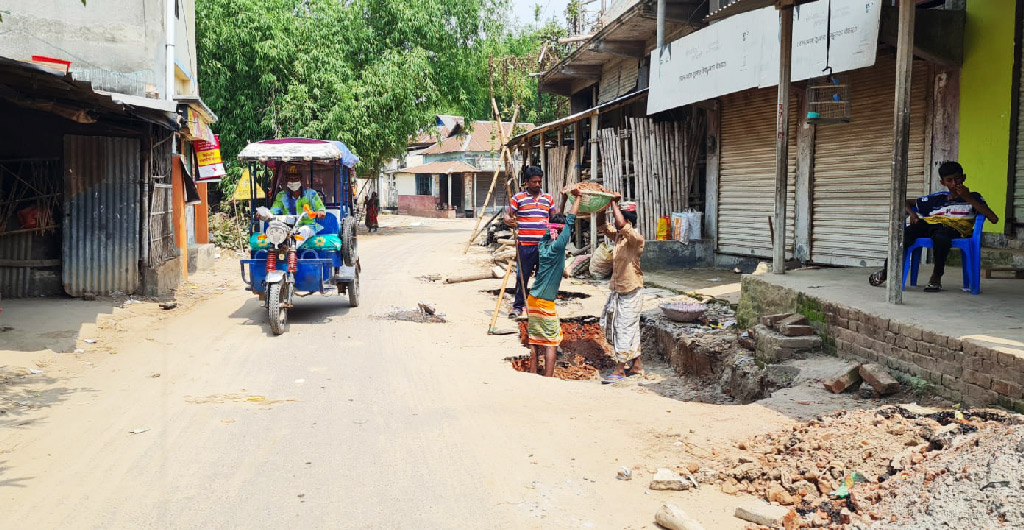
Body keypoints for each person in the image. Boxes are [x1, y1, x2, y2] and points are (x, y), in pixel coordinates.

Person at [868, 161, 998, 292]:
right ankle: (887, 270)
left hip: (953, 229)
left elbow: (993, 218)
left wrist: (968, 197)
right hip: (929, 225)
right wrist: (913, 214)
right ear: (943, 183)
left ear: (963, 177)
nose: (954, 183)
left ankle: (936, 276)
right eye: (949, 180)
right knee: (903, 235)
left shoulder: (974, 197)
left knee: (941, 237)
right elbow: (905, 201)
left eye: (957, 179)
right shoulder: (937, 198)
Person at [525, 186, 582, 377]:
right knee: (551, 341)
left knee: (534, 339)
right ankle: (548, 378)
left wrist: (564, 199)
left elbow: (556, 221)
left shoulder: (543, 243)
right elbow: (569, 223)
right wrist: (579, 199)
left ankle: (533, 372)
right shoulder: (558, 246)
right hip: (544, 302)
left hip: (532, 298)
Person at [597, 197, 645, 384]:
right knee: (628, 327)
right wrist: (603, 204)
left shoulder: (635, 239)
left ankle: (620, 369)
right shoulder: (619, 236)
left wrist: (614, 204)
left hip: (632, 290)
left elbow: (620, 224)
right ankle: (637, 364)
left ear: (628, 221)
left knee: (623, 328)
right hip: (620, 289)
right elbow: (601, 224)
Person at [504, 166, 558, 319]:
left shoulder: (548, 198)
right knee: (523, 276)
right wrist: (508, 219)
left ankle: (538, 305)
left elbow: (555, 219)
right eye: (534, 182)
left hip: (544, 246)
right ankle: (518, 306)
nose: (537, 185)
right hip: (525, 245)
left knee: (542, 276)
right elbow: (508, 216)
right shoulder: (518, 198)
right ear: (526, 182)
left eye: (539, 182)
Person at [270, 166, 327, 242]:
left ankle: (291, 249)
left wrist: (319, 213)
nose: (293, 182)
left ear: (300, 180)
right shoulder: (281, 196)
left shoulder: (311, 194)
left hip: (307, 227)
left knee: (303, 231)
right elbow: (273, 211)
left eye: (296, 179)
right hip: (286, 227)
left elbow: (321, 211)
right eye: (290, 179)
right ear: (286, 180)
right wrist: (264, 214)